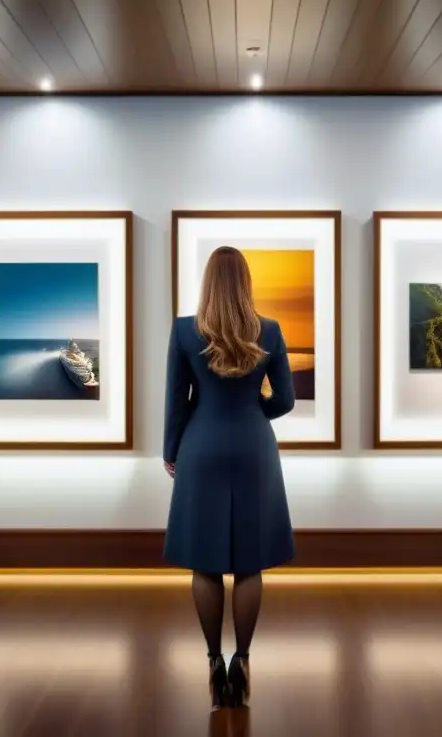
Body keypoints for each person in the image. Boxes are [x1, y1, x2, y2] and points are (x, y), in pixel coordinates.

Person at [162, 246, 296, 710]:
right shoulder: (270, 330)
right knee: (249, 563)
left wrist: (170, 450)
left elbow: (176, 400)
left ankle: (214, 661)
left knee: (205, 562)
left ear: (207, 282)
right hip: (255, 448)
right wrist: (255, 412)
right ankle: (242, 659)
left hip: (201, 447)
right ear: (245, 282)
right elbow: (287, 400)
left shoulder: (184, 330)